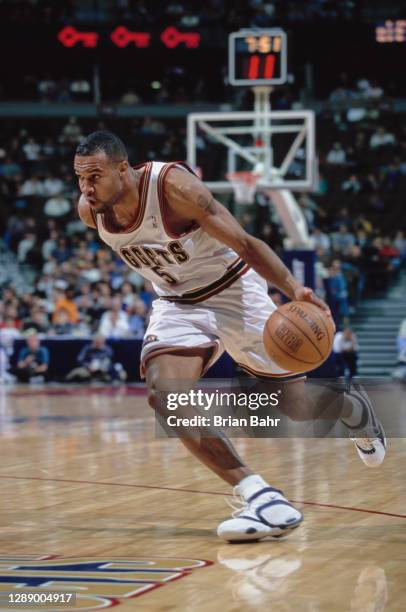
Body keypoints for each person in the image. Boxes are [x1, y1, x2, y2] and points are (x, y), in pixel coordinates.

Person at [73, 131, 386, 543]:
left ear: (123, 169)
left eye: (94, 176)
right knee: (166, 395)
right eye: (80, 178)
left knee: (294, 407)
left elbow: (243, 242)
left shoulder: (174, 188)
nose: (86, 188)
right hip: (177, 303)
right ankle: (258, 494)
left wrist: (294, 288)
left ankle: (350, 406)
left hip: (233, 290)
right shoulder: (90, 211)